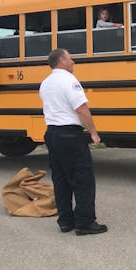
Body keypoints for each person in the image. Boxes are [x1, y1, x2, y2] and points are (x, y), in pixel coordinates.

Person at [39, 48, 107, 236]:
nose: (73, 61)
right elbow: (81, 109)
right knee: (82, 178)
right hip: (70, 135)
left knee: (60, 179)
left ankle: (65, 221)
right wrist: (93, 132)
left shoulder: (45, 83)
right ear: (61, 60)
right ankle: (85, 223)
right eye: (70, 58)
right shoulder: (69, 80)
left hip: (52, 134)